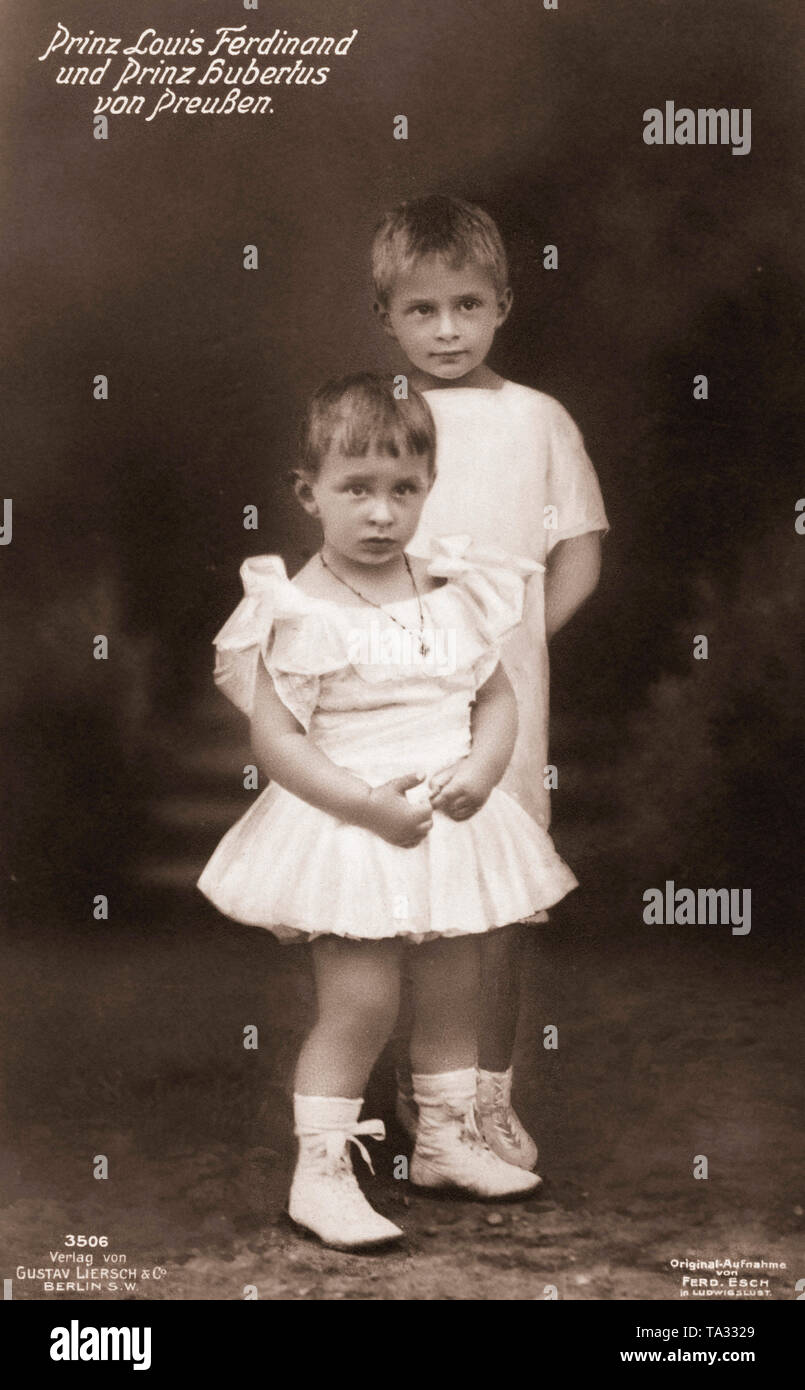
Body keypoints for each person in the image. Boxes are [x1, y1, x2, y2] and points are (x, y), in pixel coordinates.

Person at [196, 373, 578, 1251]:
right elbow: (279, 741)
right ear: (309, 494)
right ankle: (321, 1173)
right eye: (355, 489)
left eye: (402, 489)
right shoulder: (299, 606)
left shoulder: (450, 588)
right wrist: (366, 805)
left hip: (447, 817)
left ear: (426, 490)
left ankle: (445, 1141)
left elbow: (495, 696)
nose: (380, 513)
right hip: (353, 823)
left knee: (453, 988)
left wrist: (483, 771)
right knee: (360, 1001)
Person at [371, 195, 609, 1169]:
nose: (445, 329)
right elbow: (351, 548)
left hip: (501, 701)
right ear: (386, 314)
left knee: (499, 897)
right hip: (394, 694)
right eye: (421, 310)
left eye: (466, 305)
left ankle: (485, 1103)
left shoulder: (537, 419)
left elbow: (580, 555)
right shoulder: (375, 417)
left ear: (503, 303)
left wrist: (507, 651)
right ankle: (409, 1103)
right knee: (399, 897)